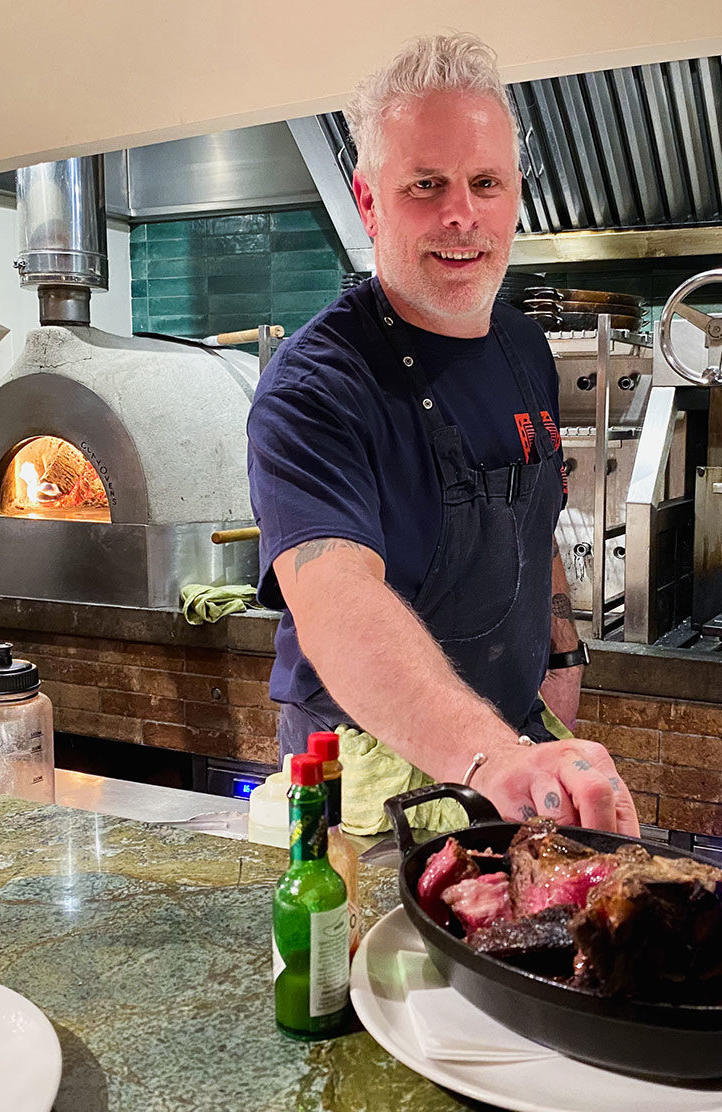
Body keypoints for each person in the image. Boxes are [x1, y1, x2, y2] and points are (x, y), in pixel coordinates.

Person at [247, 33, 638, 835]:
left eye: (484, 183)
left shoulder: (523, 346)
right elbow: (337, 602)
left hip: (505, 739)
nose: (462, 215)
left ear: (515, 195)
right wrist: (491, 758)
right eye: (426, 186)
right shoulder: (317, 382)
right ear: (368, 202)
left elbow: (538, 523)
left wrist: (559, 660)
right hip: (363, 764)